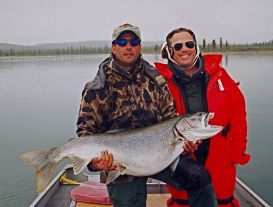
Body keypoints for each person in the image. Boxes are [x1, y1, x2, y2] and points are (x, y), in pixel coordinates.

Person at [76, 23, 218, 207]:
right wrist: (95, 164)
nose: (129, 46)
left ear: (140, 46)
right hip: (120, 165)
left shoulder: (155, 78)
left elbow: (170, 117)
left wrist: (187, 144)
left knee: (199, 178)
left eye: (134, 41)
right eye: (122, 41)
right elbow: (85, 132)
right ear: (113, 47)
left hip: (162, 156)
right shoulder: (97, 87)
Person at [154, 28, 251, 207]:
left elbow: (238, 113)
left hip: (220, 156)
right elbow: (156, 124)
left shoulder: (220, 76)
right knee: (183, 201)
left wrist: (236, 150)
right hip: (181, 155)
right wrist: (179, 147)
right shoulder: (159, 84)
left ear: (196, 47)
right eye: (178, 46)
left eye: (189, 44)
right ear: (169, 51)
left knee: (223, 200)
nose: (185, 49)